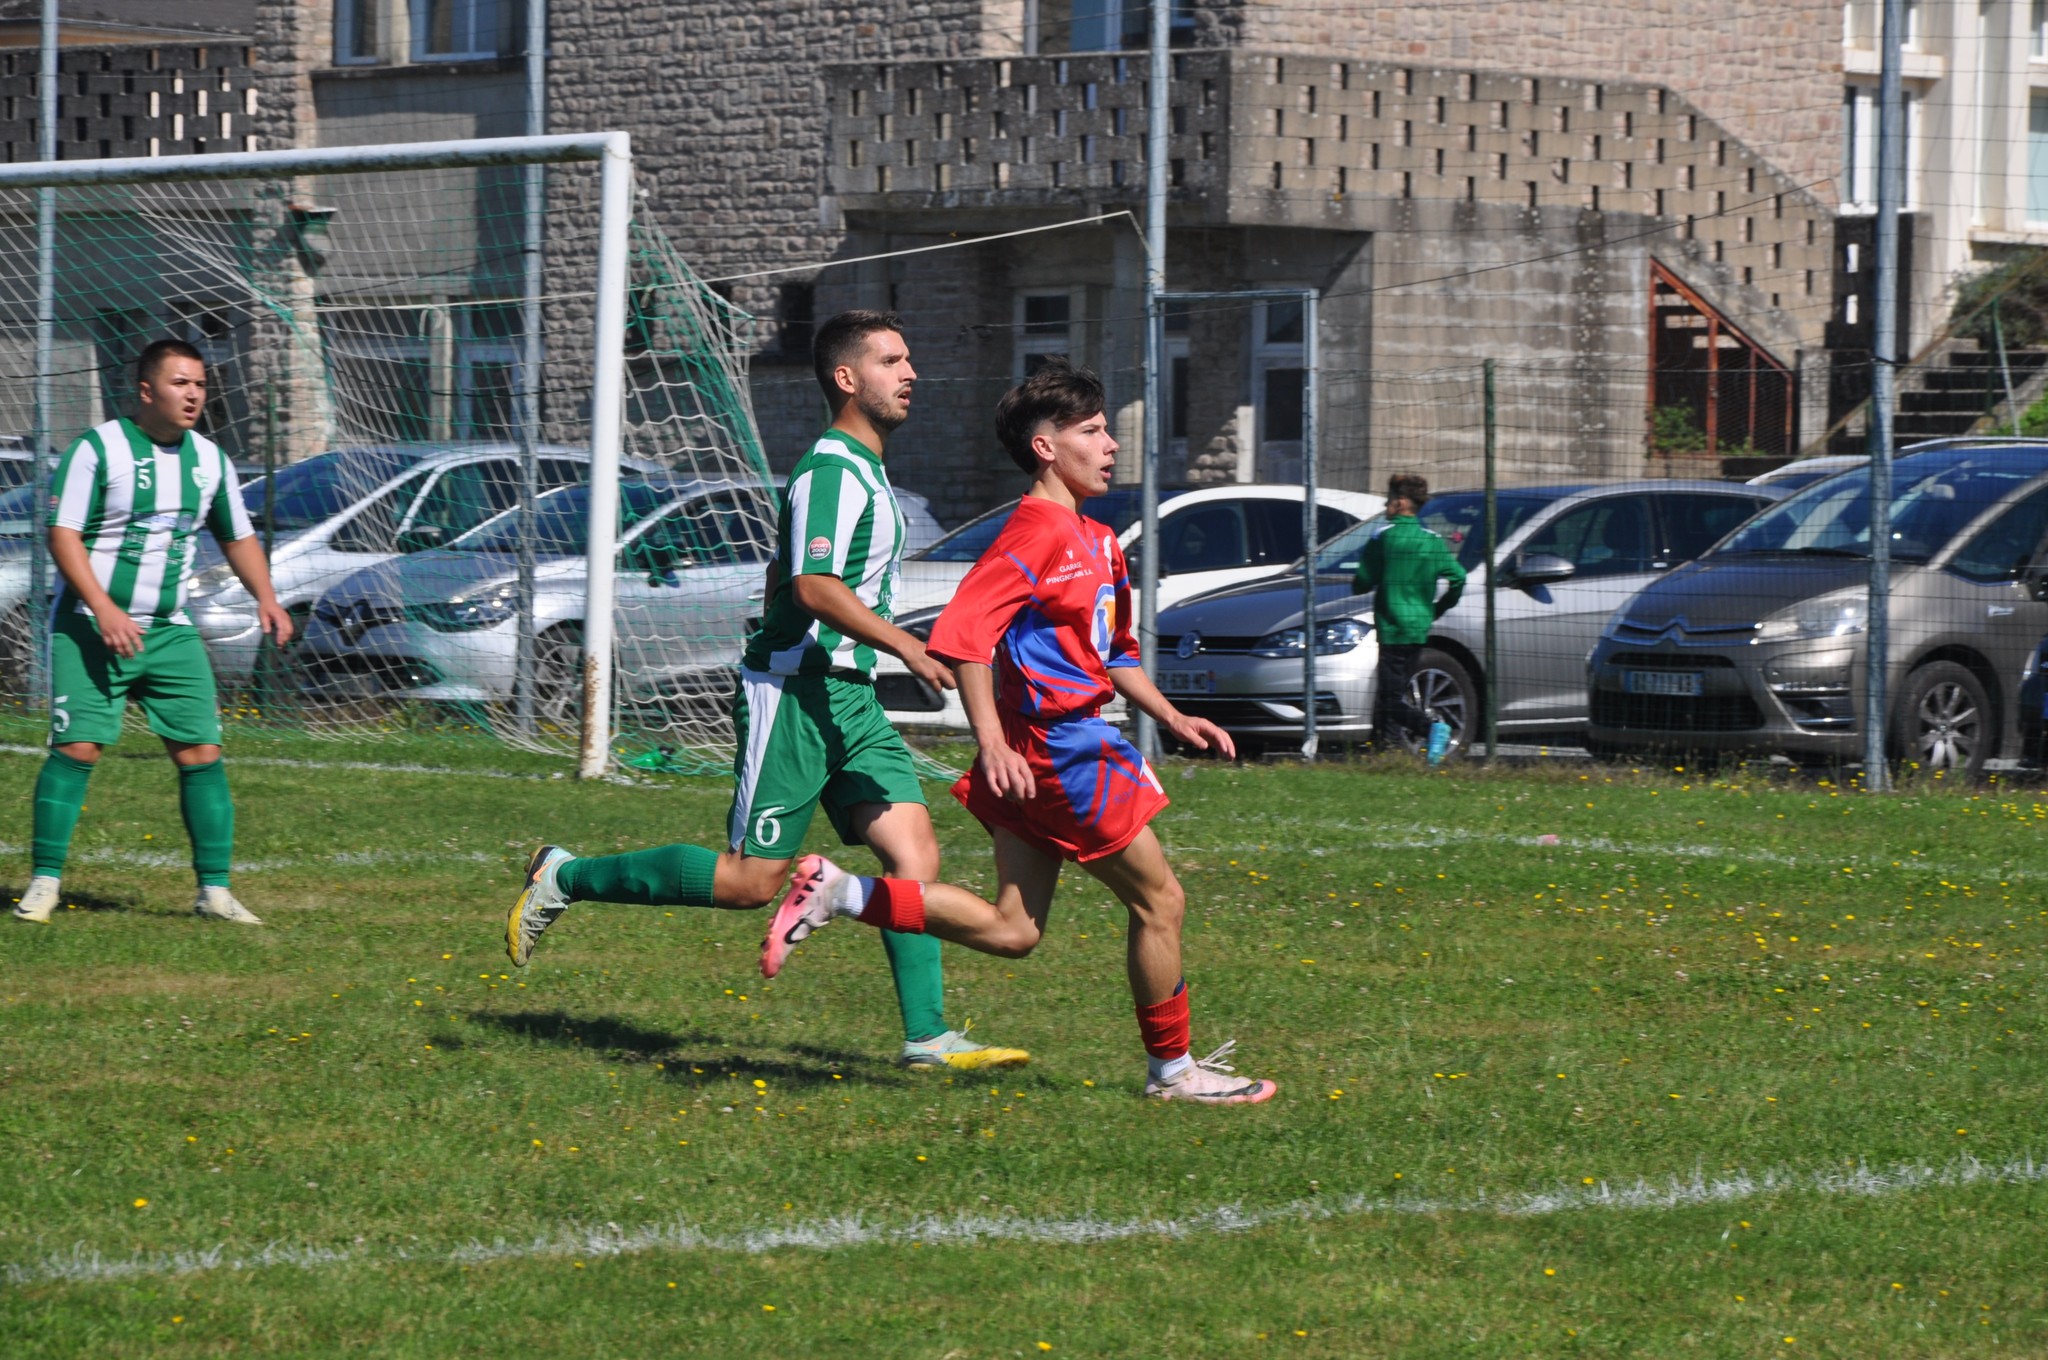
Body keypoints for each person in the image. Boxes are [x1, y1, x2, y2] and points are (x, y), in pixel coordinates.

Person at [505, 310, 1027, 1073]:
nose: (910, 372)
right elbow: (815, 587)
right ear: (846, 378)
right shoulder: (831, 469)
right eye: (891, 359)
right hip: (795, 697)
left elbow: (789, 574)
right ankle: (565, 875)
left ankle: (928, 1038)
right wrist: (907, 643)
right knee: (753, 883)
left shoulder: (868, 471)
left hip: (849, 699)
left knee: (914, 860)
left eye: (909, 357)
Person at [760, 359, 1277, 1105]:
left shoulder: (1095, 538)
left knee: (1014, 930)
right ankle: (1175, 1072)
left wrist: (1168, 714)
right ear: (1045, 447)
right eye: (1092, 432)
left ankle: (840, 893)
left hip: (1054, 751)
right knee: (1159, 902)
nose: (1109, 446)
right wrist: (995, 742)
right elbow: (964, 635)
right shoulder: (1034, 533)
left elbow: (1115, 651)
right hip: (1061, 752)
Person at [13, 339, 293, 925]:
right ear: (146, 391)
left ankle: (214, 892)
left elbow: (237, 536)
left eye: (200, 385)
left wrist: (267, 598)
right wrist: (104, 607)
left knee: (202, 754)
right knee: (77, 747)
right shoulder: (99, 450)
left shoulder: (210, 461)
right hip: (90, 627)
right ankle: (43, 883)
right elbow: (62, 534)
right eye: (180, 383)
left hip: (169, 631)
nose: (193, 395)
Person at [1353, 473, 1465, 751]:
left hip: (1392, 628)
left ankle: (1432, 728)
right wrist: (1438, 608)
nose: (1385, 505)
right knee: (1394, 691)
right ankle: (1387, 747)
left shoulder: (1384, 538)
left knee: (1390, 698)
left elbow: (1362, 583)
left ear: (1401, 502)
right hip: (1418, 627)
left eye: (1389, 499)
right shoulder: (1432, 541)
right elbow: (1459, 578)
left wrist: (1365, 577)